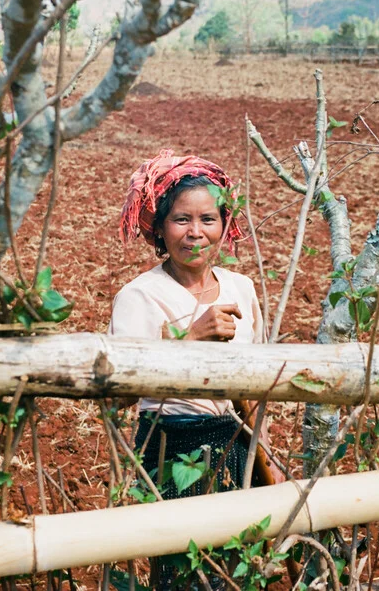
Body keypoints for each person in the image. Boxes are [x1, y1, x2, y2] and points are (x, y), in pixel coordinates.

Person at [110, 149, 265, 589]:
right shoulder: (140, 297)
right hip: (172, 447)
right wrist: (189, 339)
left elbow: (257, 379)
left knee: (238, 570)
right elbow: (122, 393)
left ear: (224, 225)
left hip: (237, 441)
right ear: (159, 228)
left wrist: (260, 450)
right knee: (186, 575)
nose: (196, 233)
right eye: (181, 220)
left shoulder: (242, 288)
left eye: (208, 219)